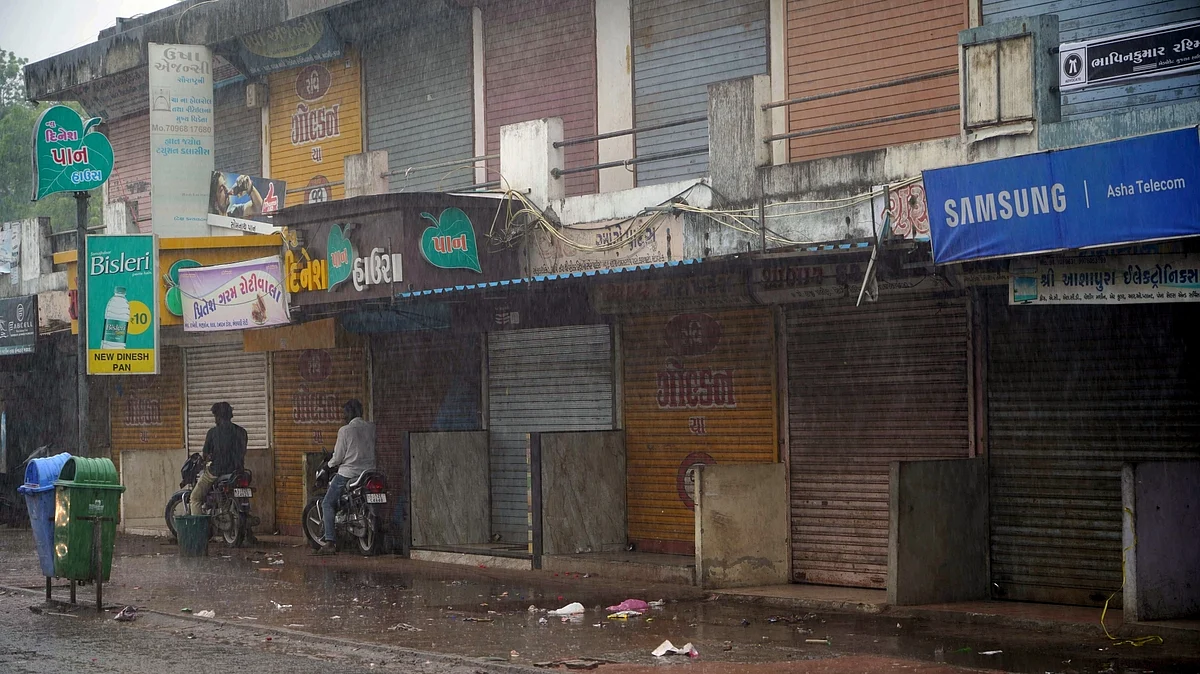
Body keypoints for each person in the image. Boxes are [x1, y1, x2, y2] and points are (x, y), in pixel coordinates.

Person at [315, 399, 376, 555]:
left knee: (327, 503)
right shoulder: (371, 427)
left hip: (348, 474)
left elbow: (338, 457)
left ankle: (330, 542)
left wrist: (327, 465)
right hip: (369, 473)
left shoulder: (345, 431)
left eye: (345, 413)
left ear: (351, 413)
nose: (343, 416)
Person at [189, 402, 248, 514]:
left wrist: (207, 458)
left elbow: (205, 454)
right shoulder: (242, 432)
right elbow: (242, 451)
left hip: (217, 472)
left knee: (195, 497)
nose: (215, 420)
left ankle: (199, 530)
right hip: (237, 472)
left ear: (219, 417)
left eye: (215, 416)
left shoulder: (213, 433)